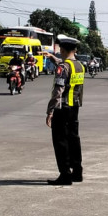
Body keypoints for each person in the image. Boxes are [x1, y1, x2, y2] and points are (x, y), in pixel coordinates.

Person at [43, 35, 85, 185]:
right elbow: (64, 65)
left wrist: (50, 111)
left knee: (60, 141)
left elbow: (58, 90)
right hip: (74, 107)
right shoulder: (79, 65)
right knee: (74, 139)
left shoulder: (63, 67)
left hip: (62, 108)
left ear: (63, 49)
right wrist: (52, 57)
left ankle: (65, 174)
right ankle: (77, 172)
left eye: (60, 49)